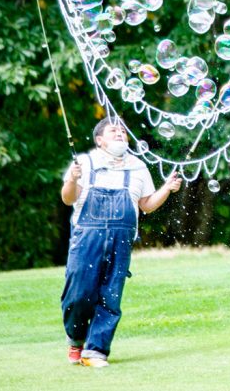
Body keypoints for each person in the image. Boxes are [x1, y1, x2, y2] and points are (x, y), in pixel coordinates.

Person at [60, 118, 182, 367]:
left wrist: (167, 188)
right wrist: (72, 180)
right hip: (86, 238)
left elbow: (146, 205)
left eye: (123, 131)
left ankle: (96, 351)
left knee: (110, 296)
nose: (120, 133)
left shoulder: (138, 167)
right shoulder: (85, 162)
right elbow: (68, 198)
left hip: (121, 241)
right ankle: (76, 340)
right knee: (79, 294)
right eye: (113, 130)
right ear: (99, 140)